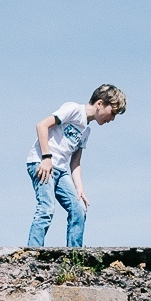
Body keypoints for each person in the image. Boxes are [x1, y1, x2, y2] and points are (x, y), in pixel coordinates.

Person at [26, 85, 127, 248]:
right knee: (46, 208)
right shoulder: (74, 110)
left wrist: (79, 189)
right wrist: (46, 158)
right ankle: (33, 251)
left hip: (60, 170)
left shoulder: (86, 131)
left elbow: (75, 162)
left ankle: (75, 254)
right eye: (113, 112)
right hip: (42, 162)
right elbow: (41, 125)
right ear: (100, 103)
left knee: (79, 208)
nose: (112, 118)